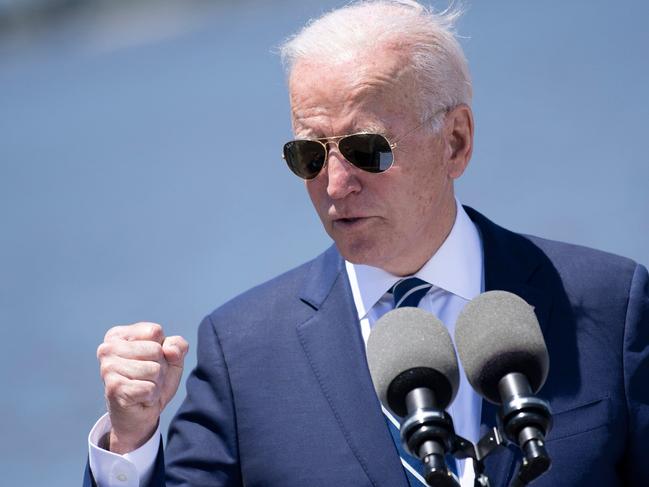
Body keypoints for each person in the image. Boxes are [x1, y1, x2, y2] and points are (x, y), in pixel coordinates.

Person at [84, 1, 649, 486]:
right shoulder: (243, 356)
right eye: (309, 156)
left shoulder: (609, 303)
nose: (335, 184)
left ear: (455, 142)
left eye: (367, 149)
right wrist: (130, 441)